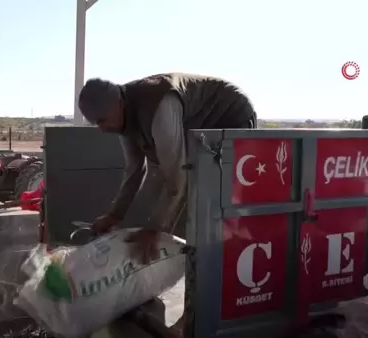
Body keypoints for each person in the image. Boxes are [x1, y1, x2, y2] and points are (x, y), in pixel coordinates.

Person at [78, 73, 257, 264]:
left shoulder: (157, 104)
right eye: (96, 123)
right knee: (183, 191)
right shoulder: (123, 118)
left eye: (102, 121)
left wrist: (155, 228)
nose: (102, 129)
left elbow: (177, 175)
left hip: (229, 114)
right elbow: (135, 170)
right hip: (196, 125)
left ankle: (227, 262)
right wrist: (114, 215)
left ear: (118, 104)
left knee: (214, 197)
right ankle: (208, 262)